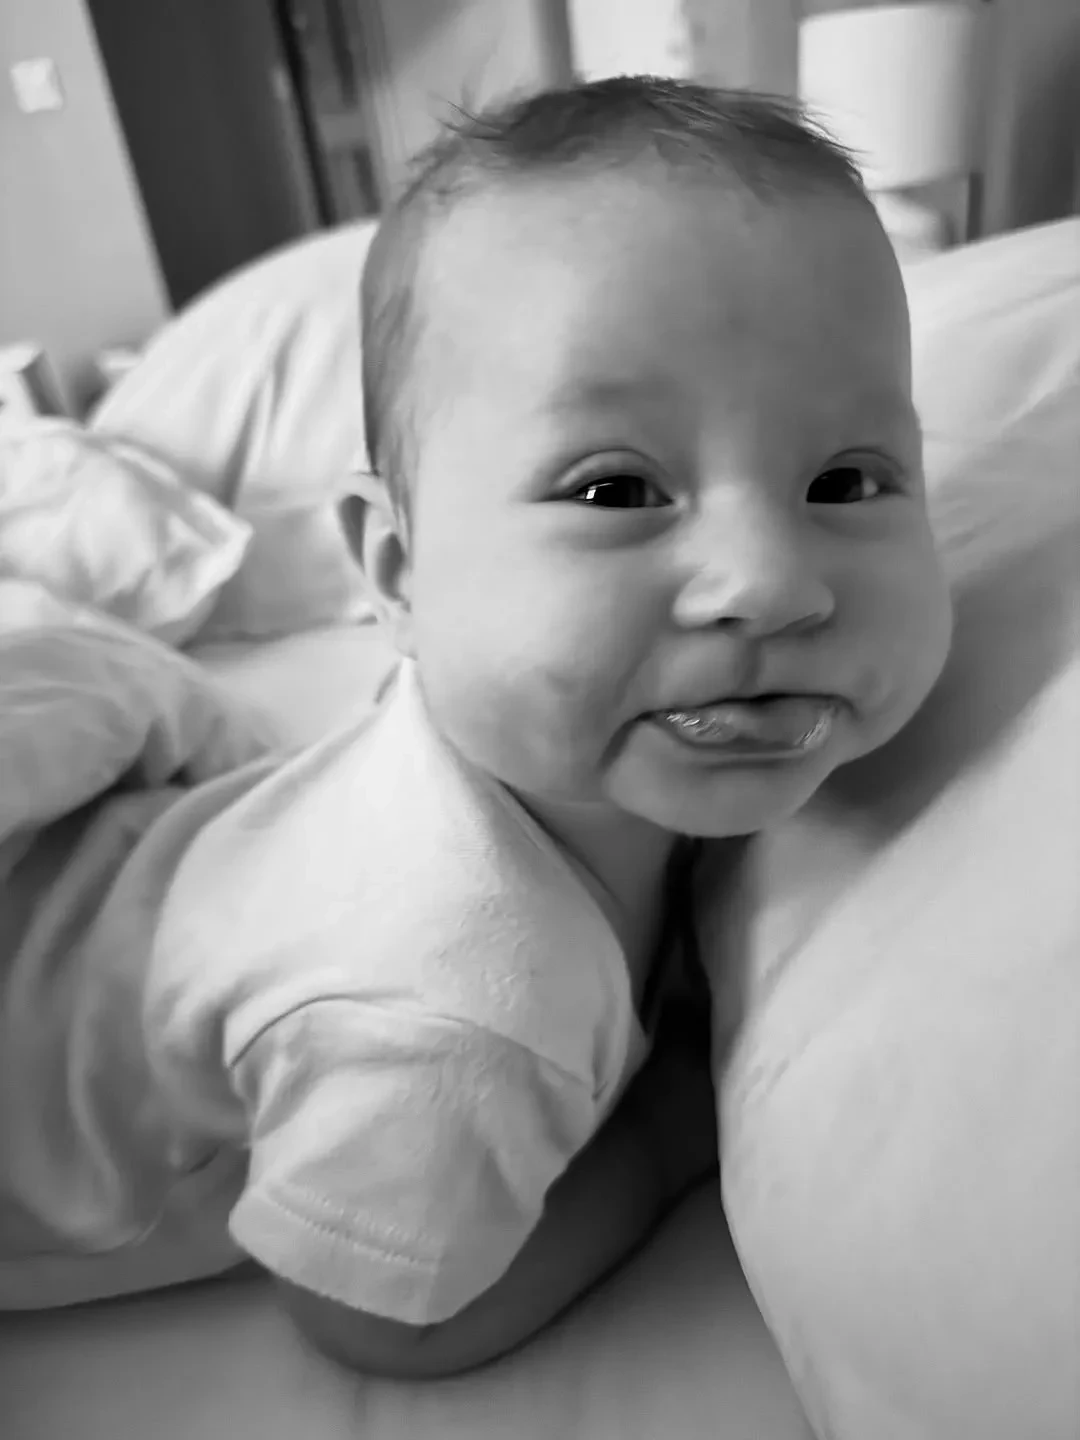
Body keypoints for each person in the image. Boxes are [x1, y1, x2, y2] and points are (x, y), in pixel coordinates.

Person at [0, 77, 951, 1376]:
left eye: (845, 479)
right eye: (615, 490)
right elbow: (382, 1316)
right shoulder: (458, 1007)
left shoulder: (514, 728)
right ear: (398, 573)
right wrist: (666, 1134)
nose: (772, 581)